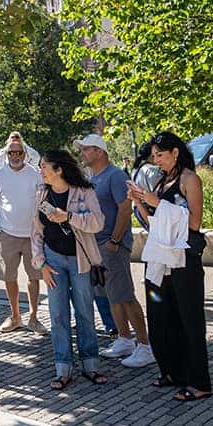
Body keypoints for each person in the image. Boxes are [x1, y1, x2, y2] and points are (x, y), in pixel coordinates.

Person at [129, 131, 212, 402]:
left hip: (184, 257)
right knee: (161, 316)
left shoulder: (190, 179)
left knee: (189, 319)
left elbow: (194, 222)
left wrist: (156, 203)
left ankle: (199, 381)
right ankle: (172, 371)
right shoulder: (163, 181)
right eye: (154, 157)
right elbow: (152, 219)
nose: (157, 161)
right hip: (161, 257)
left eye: (161, 155)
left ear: (175, 152)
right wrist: (139, 201)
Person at [76, 134, 155, 367]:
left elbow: (125, 209)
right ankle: (124, 339)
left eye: (86, 149)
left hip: (112, 246)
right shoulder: (94, 177)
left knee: (125, 295)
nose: (82, 153)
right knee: (111, 295)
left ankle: (145, 345)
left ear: (99, 151)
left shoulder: (115, 175)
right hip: (98, 247)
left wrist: (115, 240)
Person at [32, 149, 106, 390]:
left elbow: (97, 222)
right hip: (52, 260)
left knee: (84, 312)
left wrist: (69, 216)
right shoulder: (41, 194)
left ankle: (91, 365)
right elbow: (36, 233)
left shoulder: (84, 191)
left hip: (79, 260)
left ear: (59, 169)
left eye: (44, 166)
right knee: (57, 315)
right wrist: (41, 264)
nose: (40, 171)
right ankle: (63, 369)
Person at [0, 133, 46, 335]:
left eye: (19, 152)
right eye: (11, 152)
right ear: (6, 154)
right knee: (9, 277)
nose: (15, 155)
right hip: (7, 235)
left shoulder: (35, 174)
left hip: (32, 235)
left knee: (34, 278)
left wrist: (40, 229)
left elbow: (42, 201)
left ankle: (33, 317)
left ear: (24, 153)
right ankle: (15, 316)